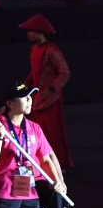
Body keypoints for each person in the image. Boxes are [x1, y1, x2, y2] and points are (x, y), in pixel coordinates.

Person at [19, 14, 73, 169]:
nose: (28, 34)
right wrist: (24, 86)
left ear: (39, 32)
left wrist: (52, 88)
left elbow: (65, 72)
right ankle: (39, 163)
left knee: (52, 133)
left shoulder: (51, 50)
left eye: (31, 31)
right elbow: (35, 72)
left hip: (49, 99)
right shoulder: (34, 49)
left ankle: (58, 164)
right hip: (37, 98)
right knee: (36, 133)